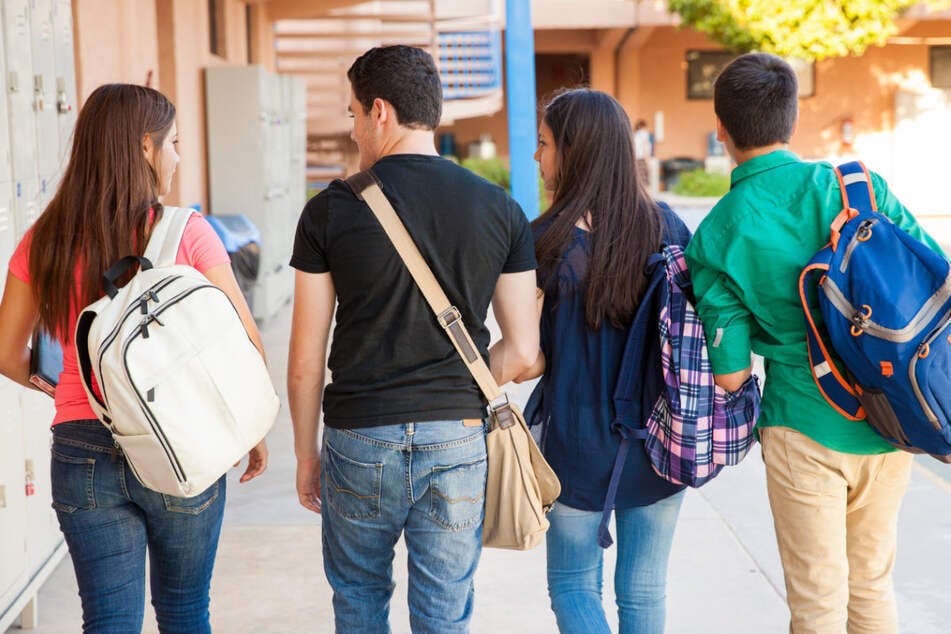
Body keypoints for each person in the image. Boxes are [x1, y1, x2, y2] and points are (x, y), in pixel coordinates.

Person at [684, 53, 944, 633]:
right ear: (792, 120)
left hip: (802, 424)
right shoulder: (859, 187)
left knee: (817, 601)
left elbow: (730, 374)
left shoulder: (718, 234)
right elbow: (934, 278)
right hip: (893, 420)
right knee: (872, 585)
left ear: (720, 129)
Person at [287, 44, 539, 634]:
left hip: (359, 436)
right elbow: (523, 353)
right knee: (444, 612)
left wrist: (306, 456)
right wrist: (452, 383)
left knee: (358, 597)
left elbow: (304, 363)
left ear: (380, 111)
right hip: (456, 437)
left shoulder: (328, 212)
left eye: (351, 115)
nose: (351, 132)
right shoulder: (501, 209)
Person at [0, 83, 268, 633]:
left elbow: (7, 353)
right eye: (172, 142)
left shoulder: (42, 239)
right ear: (145, 148)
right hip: (181, 440)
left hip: (80, 445)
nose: (177, 156)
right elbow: (244, 342)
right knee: (185, 610)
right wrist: (248, 429)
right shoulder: (185, 232)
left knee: (107, 620)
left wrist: (61, 390)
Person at [501, 88, 691, 634]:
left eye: (543, 145)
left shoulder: (542, 242)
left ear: (575, 151)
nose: (537, 157)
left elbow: (528, 359)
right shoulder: (669, 228)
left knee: (572, 585)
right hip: (660, 441)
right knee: (645, 591)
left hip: (575, 447)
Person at [633, 118, 652, 186]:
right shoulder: (644, 134)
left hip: (635, 160)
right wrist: (648, 162)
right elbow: (645, 148)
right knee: (645, 182)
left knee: (638, 181)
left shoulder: (634, 135)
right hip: (642, 159)